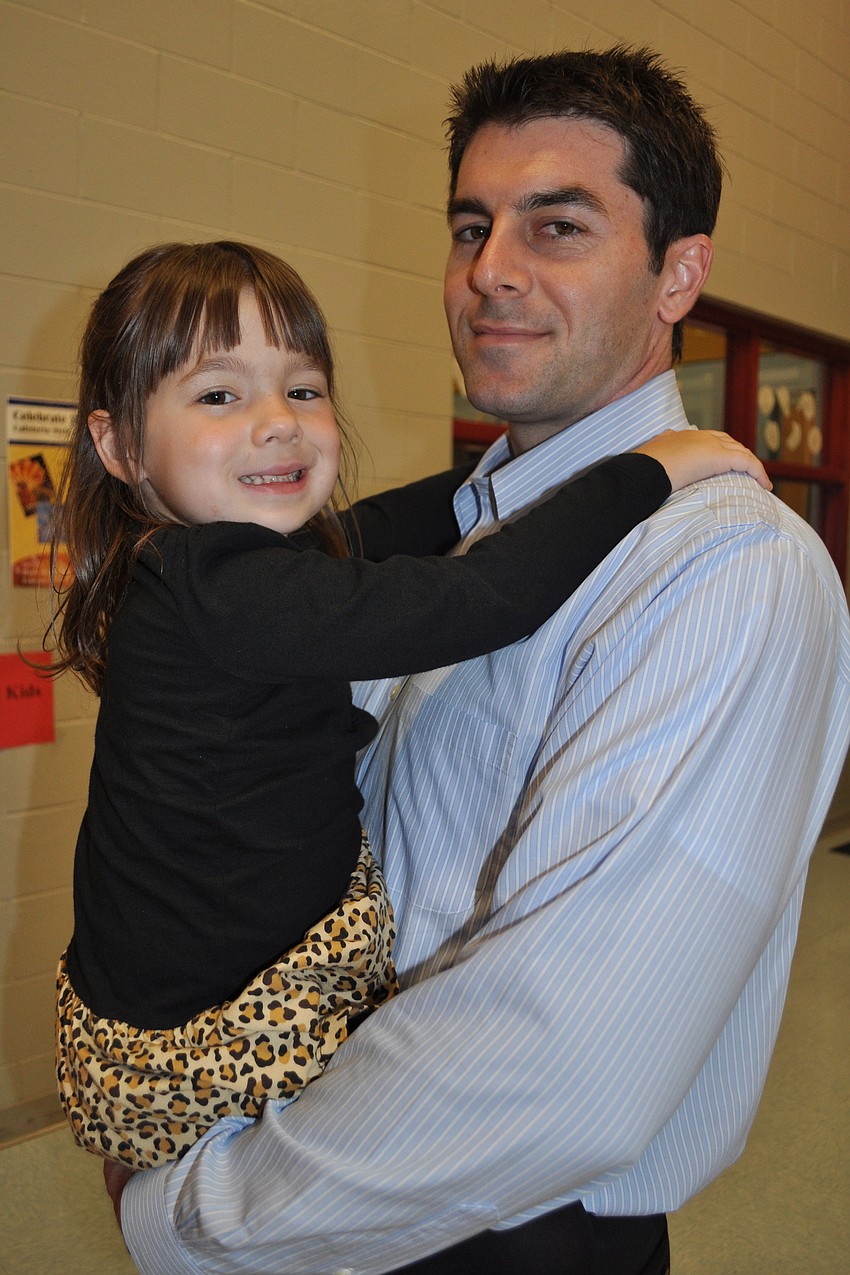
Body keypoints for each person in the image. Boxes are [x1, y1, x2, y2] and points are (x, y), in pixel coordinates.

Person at [114, 48, 850, 1275]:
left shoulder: (724, 570)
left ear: (680, 272)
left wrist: (191, 1219)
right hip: (323, 1147)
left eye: (557, 225)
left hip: (483, 1219)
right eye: (470, 226)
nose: (489, 272)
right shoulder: (467, 521)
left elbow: (559, 1060)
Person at [49, 239, 758, 1176]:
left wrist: (522, 467)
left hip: (171, 992)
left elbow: (376, 528)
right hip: (216, 1033)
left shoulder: (214, 560)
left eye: (303, 388)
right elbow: (476, 600)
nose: (279, 424)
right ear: (119, 444)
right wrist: (652, 468)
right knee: (439, 1125)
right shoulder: (215, 586)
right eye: (220, 394)